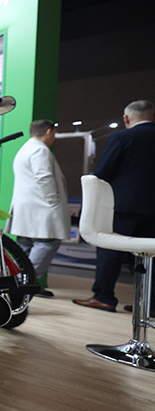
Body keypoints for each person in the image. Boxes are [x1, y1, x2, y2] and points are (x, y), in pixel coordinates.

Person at [73, 100, 155, 313]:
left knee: (110, 250)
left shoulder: (121, 137)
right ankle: (150, 305)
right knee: (151, 253)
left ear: (126, 118)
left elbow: (102, 173)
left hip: (124, 205)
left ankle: (104, 297)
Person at [5, 119, 70, 297]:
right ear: (49, 131)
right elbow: (44, 176)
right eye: (54, 133)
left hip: (27, 208)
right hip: (41, 208)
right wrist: (54, 202)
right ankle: (26, 284)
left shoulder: (25, 149)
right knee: (46, 243)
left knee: (24, 247)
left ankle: (17, 283)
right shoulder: (40, 150)